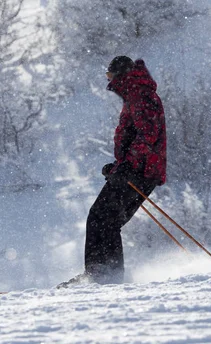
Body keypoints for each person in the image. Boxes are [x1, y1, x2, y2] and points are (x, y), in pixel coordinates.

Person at [59, 56, 166, 287]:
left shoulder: (140, 96)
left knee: (102, 216)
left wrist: (128, 165)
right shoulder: (136, 95)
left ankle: (103, 276)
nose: (109, 83)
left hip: (140, 171)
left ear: (122, 75)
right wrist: (119, 165)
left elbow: (148, 135)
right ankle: (103, 274)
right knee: (105, 218)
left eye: (110, 76)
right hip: (139, 169)